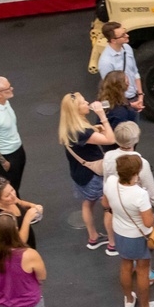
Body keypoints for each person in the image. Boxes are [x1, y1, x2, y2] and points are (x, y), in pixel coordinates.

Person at [101, 121, 154, 271]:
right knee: (144, 249)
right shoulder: (141, 162)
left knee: (125, 261)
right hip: (137, 206)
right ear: (135, 140)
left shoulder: (109, 156)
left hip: (117, 201)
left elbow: (106, 179)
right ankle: (147, 273)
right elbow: (150, 189)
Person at [104, 155, 154, 307]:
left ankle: (129, 300)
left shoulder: (110, 182)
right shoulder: (140, 194)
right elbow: (149, 222)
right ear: (136, 173)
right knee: (143, 271)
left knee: (125, 266)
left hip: (119, 231)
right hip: (138, 237)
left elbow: (105, 204)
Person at [58, 91, 116, 249]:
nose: (87, 103)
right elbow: (110, 139)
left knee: (87, 204)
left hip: (79, 174)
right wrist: (102, 116)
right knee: (108, 207)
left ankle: (93, 237)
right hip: (93, 176)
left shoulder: (70, 128)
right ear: (76, 110)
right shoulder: (83, 132)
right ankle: (112, 244)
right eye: (83, 103)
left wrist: (95, 129)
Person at [0, 76, 26, 195]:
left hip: (18, 150)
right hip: (7, 157)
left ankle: (16, 206)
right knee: (9, 189)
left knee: (15, 186)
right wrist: (4, 162)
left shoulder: (5, 103)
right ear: (0, 94)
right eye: (8, 87)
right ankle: (10, 209)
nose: (12, 88)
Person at [0, 177, 43, 250]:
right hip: (20, 254)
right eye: (7, 195)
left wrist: (33, 205)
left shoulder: (11, 200)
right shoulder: (0, 219)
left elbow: (20, 202)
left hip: (29, 244)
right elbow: (17, 243)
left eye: (12, 190)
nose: (13, 195)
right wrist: (27, 218)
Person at [97, 21, 144, 109]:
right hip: (120, 104)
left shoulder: (127, 48)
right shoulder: (105, 62)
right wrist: (131, 105)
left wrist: (140, 95)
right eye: (123, 35)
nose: (127, 35)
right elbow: (111, 89)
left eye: (125, 32)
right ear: (113, 40)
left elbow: (135, 72)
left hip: (134, 98)